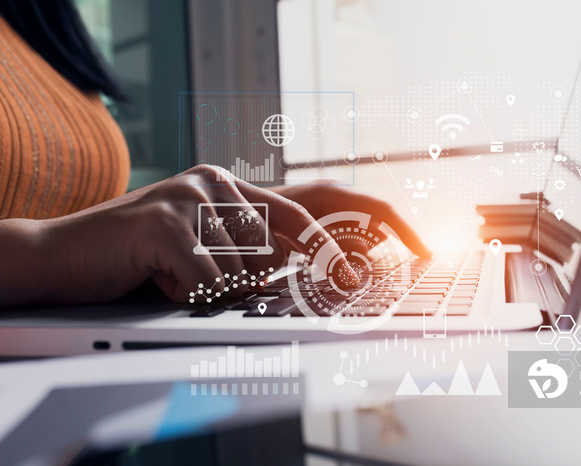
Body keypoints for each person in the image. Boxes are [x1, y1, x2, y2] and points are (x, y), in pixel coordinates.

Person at [0, 1, 429, 307]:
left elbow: (73, 227)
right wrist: (45, 252)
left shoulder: (35, 20)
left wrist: (223, 222)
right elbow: (56, 247)